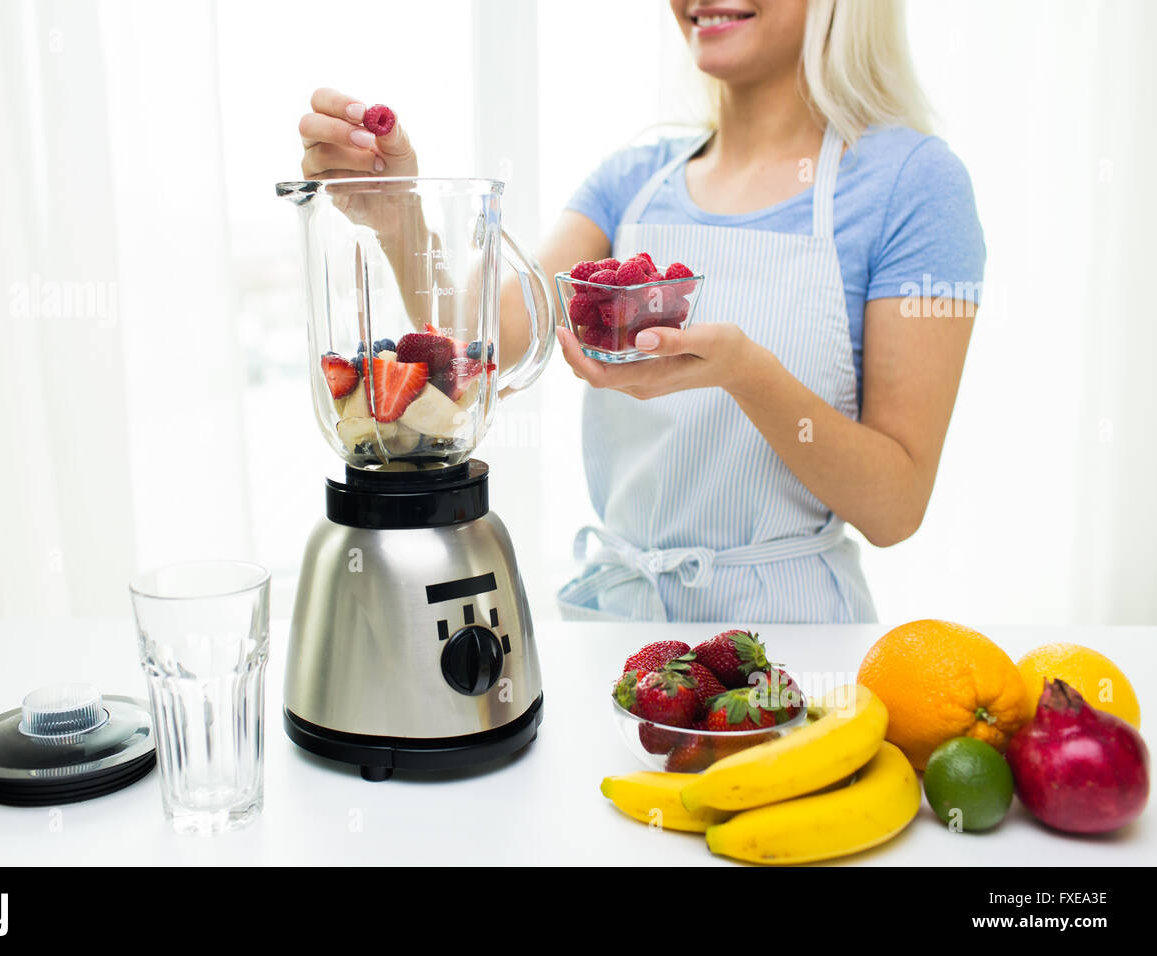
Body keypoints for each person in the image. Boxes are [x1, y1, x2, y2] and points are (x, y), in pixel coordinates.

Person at [297, 0, 984, 624]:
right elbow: (487, 344)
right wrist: (399, 218)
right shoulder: (633, 178)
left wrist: (743, 373)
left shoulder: (915, 184)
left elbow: (894, 508)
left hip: (794, 642)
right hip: (622, 629)